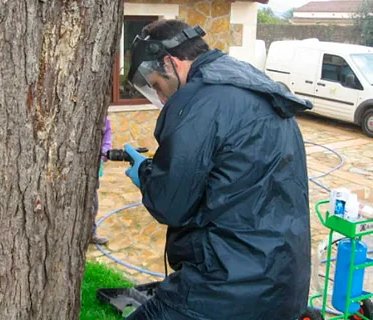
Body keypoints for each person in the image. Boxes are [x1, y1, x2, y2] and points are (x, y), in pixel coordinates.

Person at [122, 19, 313, 320]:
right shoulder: (252, 83)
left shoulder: (200, 99)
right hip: (283, 282)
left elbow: (171, 205)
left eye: (158, 86)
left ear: (170, 62)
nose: (161, 97)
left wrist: (146, 172)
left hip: (225, 288)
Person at [90, 116, 112, 245]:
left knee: (92, 204)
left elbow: (107, 139)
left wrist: (104, 153)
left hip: (93, 169)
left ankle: (91, 234)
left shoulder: (105, 119)